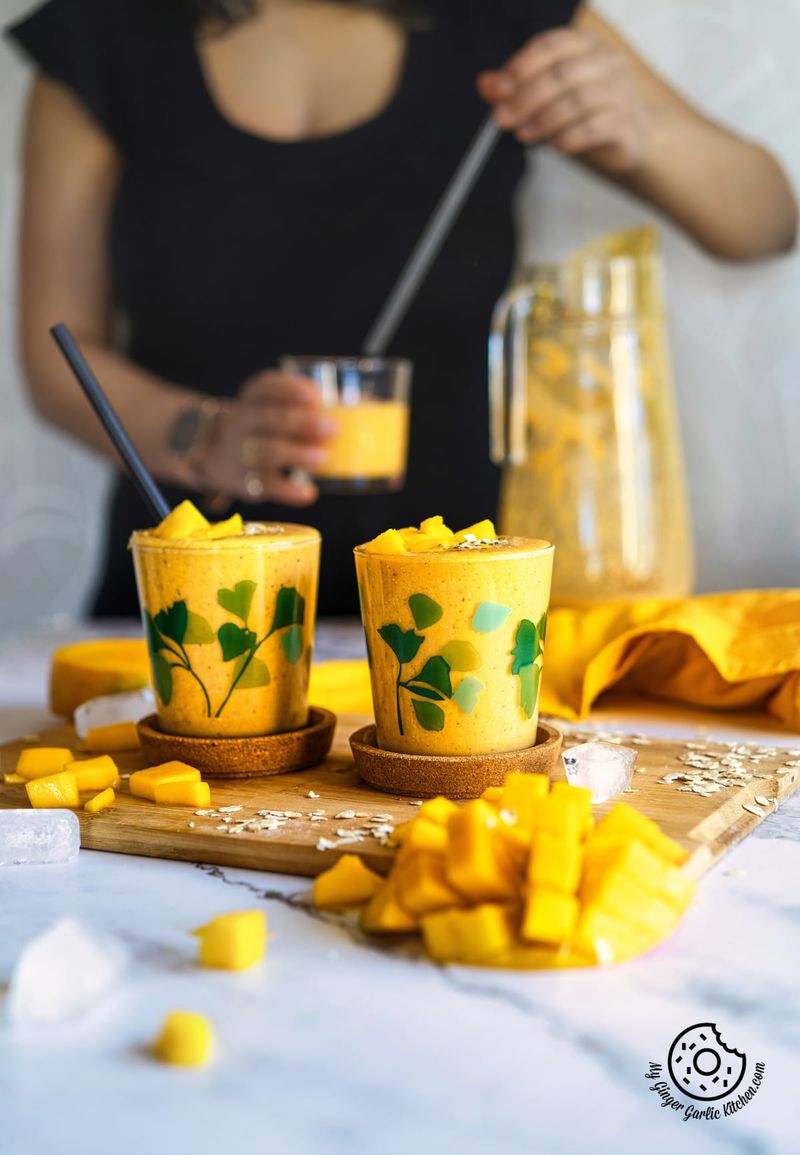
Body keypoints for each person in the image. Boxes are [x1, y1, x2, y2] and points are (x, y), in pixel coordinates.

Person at [8, 0, 797, 616]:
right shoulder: (101, 33)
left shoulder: (501, 18)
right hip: (194, 600)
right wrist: (205, 435)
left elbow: (766, 221)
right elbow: (58, 353)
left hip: (461, 604)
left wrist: (639, 129)